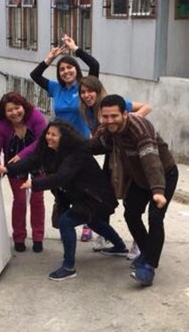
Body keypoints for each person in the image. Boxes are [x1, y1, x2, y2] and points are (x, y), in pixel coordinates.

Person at [0, 119, 128, 282]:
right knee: (93, 221)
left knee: (67, 221)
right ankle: (120, 247)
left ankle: (68, 267)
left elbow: (61, 177)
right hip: (83, 196)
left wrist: (34, 183)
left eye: (54, 135)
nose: (49, 137)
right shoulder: (48, 151)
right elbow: (32, 160)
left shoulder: (75, 154)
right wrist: (8, 169)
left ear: (65, 138)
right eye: (48, 133)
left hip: (97, 197)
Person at [89, 95, 178, 287]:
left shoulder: (139, 128)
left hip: (163, 175)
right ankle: (147, 252)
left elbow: (151, 160)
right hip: (139, 178)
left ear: (125, 114)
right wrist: (70, 144)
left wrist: (157, 190)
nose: (110, 120)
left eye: (114, 116)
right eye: (106, 117)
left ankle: (149, 267)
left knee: (155, 218)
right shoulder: (109, 130)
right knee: (131, 214)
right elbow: (97, 146)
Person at [30, 34, 99, 242]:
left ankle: (88, 223)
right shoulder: (55, 88)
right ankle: (66, 215)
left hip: (81, 145)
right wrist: (49, 59)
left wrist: (75, 49)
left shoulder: (85, 87)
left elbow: (94, 65)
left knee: (85, 185)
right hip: (59, 146)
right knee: (60, 183)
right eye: (62, 69)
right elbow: (35, 75)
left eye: (70, 67)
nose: (66, 71)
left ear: (76, 70)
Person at [78, 75, 151, 256]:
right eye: (83, 92)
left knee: (131, 200)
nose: (86, 95)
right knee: (104, 193)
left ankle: (139, 242)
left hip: (129, 154)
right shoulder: (86, 110)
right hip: (111, 154)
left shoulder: (110, 104)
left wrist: (128, 124)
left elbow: (146, 106)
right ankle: (105, 234)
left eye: (90, 91)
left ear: (98, 90)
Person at [0, 92, 47, 253]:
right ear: (4, 113)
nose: (14, 113)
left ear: (23, 106)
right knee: (19, 200)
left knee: (37, 199)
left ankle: (38, 237)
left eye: (17, 108)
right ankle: (19, 237)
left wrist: (21, 155)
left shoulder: (36, 116)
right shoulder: (1, 126)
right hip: (14, 167)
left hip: (37, 162)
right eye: (9, 110)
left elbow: (42, 141)